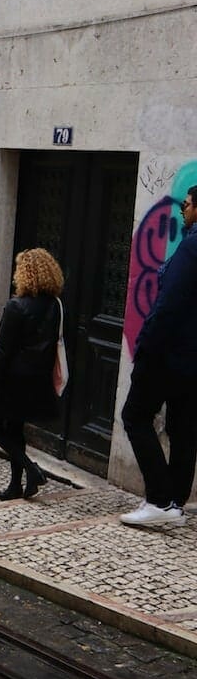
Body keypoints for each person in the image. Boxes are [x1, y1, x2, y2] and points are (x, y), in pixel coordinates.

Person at [119, 185, 197, 528]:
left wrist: (145, 346)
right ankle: (175, 503)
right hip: (191, 359)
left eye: (188, 203)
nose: (183, 208)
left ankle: (160, 501)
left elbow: (168, 306)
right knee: (183, 429)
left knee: (135, 416)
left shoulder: (192, 247)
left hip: (168, 353)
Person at [0, 248, 63, 500]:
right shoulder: (55, 305)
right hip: (37, 378)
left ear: (25, 274)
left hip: (13, 378)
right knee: (15, 429)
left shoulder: (16, 306)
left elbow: (2, 350)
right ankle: (16, 485)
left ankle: (31, 469)